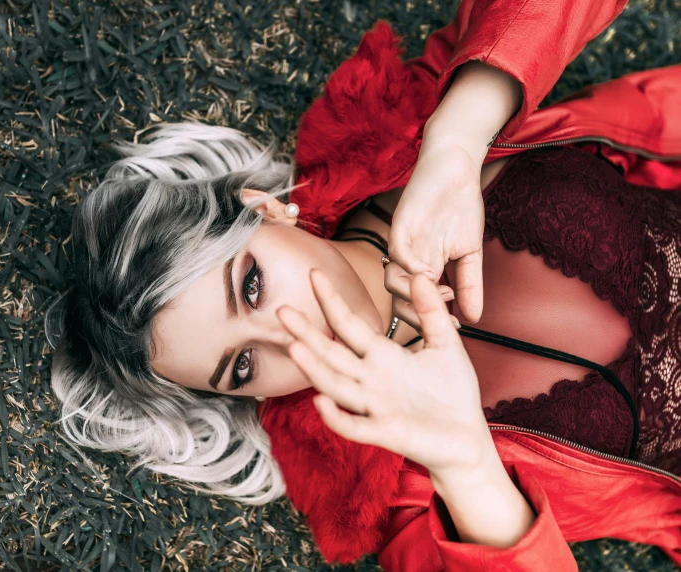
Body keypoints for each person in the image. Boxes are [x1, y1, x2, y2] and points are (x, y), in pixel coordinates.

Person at [47, 0, 681, 569]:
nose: (288, 339)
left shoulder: (400, 133)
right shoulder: (395, 483)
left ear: (265, 209)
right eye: (241, 367)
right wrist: (464, 459)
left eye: (252, 287)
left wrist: (457, 141)